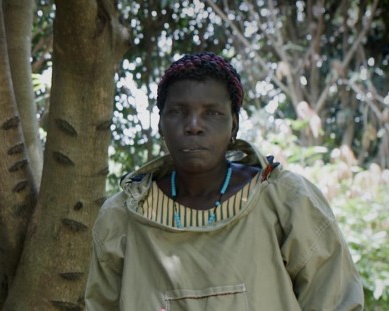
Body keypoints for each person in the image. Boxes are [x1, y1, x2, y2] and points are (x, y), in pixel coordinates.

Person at [85, 52, 363, 310]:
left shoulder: (285, 201)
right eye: (178, 111)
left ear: (234, 125)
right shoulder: (122, 218)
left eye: (212, 113)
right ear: (160, 124)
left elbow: (335, 300)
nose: (194, 125)